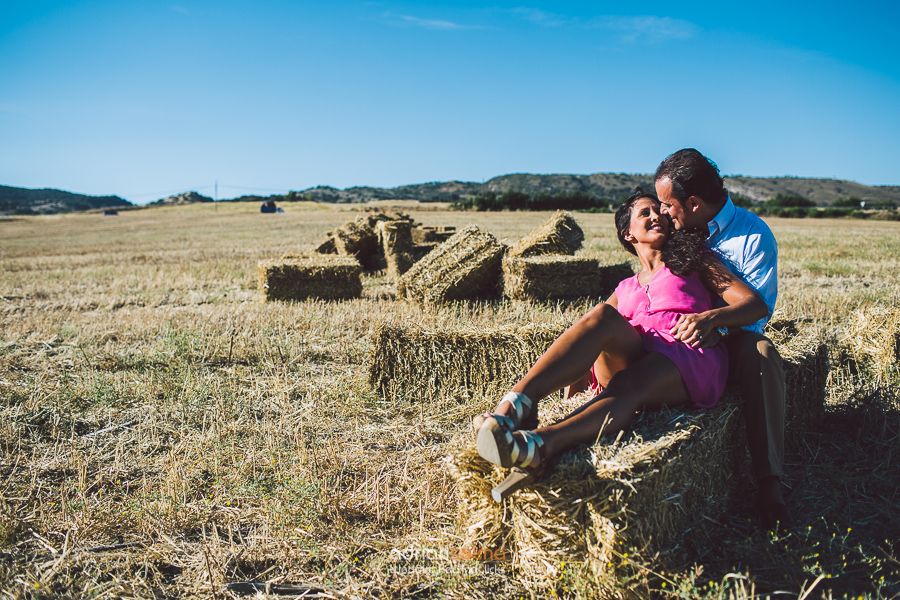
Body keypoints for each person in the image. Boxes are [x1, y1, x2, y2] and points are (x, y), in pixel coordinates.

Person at [474, 188, 769, 502]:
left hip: (686, 353)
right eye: (645, 213)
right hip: (639, 351)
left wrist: (711, 319)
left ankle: (537, 445)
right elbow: (590, 337)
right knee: (602, 314)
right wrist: (573, 391)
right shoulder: (625, 286)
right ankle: (515, 405)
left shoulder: (696, 262)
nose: (657, 216)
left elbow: (754, 304)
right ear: (628, 234)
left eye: (659, 210)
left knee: (629, 381)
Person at [654, 148, 792, 532]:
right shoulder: (670, 230)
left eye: (667, 204)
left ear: (693, 203)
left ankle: (770, 484)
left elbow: (757, 312)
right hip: (670, 336)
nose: (661, 212)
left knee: (761, 352)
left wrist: (712, 321)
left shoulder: (752, 237)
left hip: (730, 341)